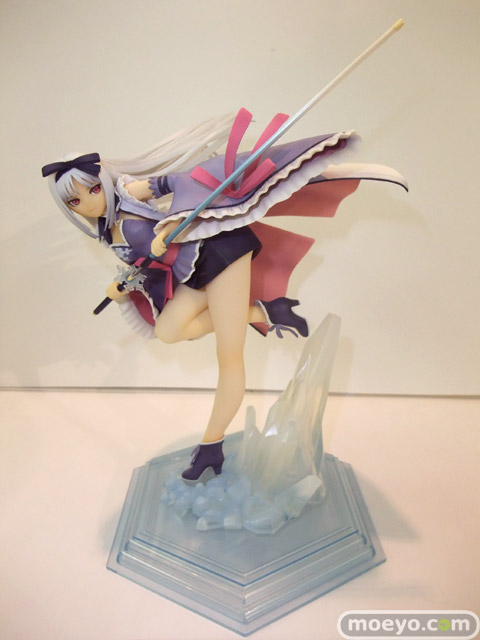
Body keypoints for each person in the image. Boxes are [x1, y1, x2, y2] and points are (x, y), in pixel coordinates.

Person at [42, 108, 407, 482]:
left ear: (103, 181)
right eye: (75, 201)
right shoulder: (109, 230)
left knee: (229, 356)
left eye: (93, 189)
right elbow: (150, 267)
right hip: (193, 273)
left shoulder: (130, 193)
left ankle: (211, 443)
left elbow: (181, 182)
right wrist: (124, 288)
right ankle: (265, 312)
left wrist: (167, 227)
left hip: (221, 251)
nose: (90, 202)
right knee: (167, 331)